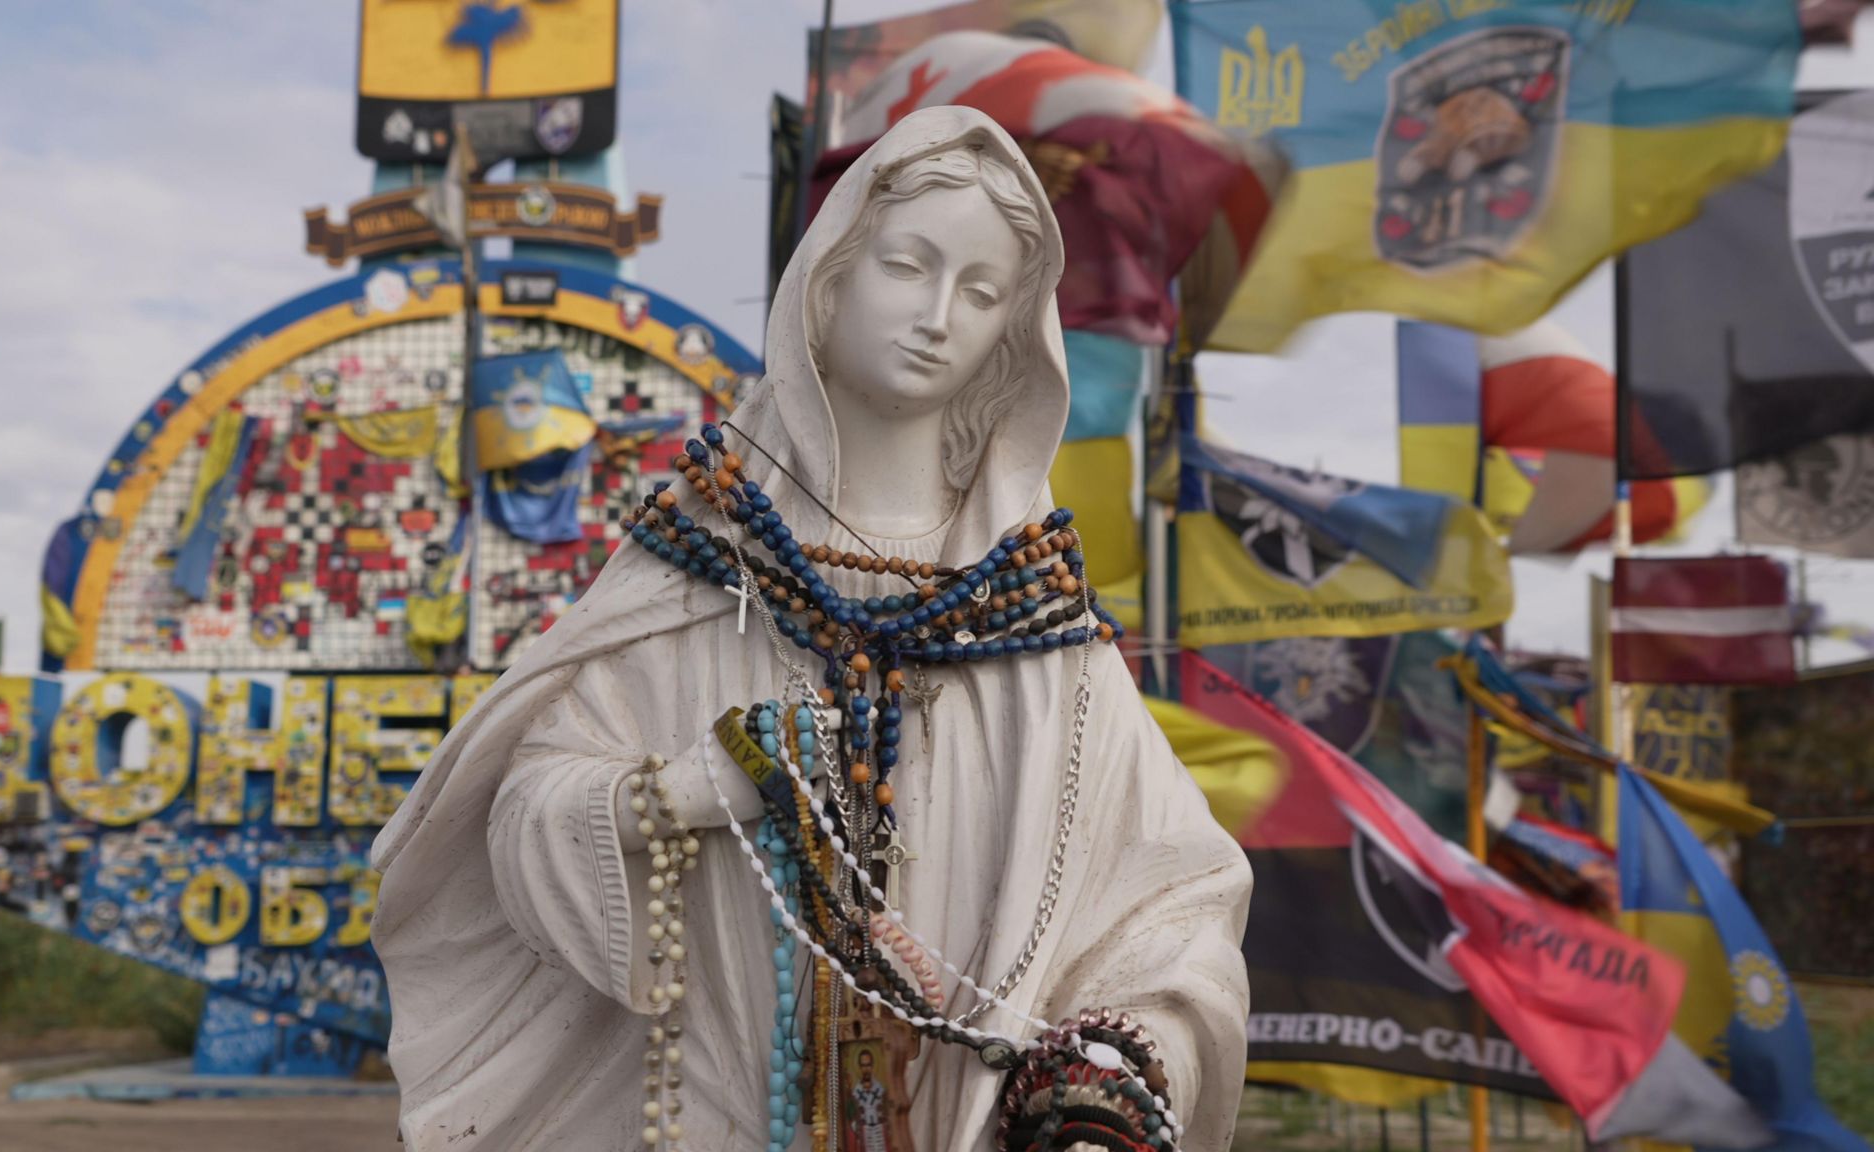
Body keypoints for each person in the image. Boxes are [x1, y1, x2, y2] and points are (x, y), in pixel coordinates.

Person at [370, 106, 1250, 1151]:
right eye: (905, 266)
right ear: (827, 280)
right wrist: (672, 795)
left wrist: (1111, 1067)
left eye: (978, 292)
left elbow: (1174, 906)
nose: (936, 315)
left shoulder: (1035, 627)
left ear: (1008, 333)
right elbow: (515, 822)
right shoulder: (692, 571)